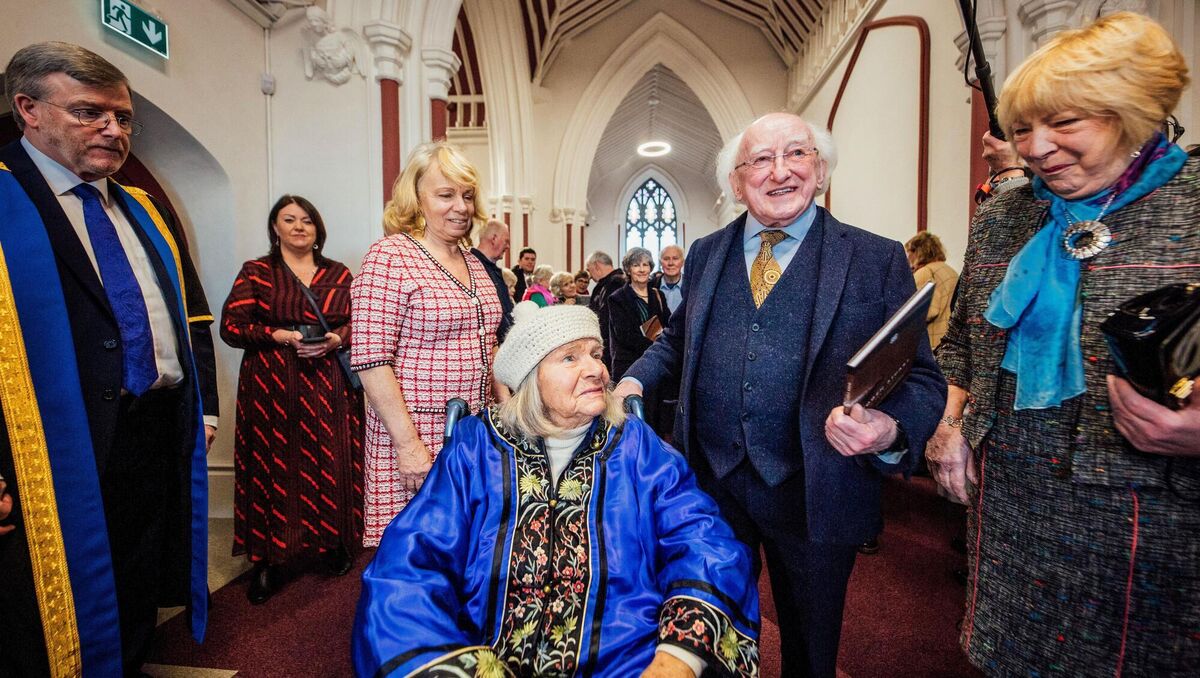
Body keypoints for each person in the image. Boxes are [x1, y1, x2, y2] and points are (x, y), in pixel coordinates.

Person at [615, 112, 946, 677]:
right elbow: (676, 342)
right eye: (760, 160)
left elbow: (920, 378)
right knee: (707, 635)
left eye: (796, 154)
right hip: (712, 486)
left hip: (815, 489)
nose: (780, 171)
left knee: (811, 652)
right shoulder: (707, 254)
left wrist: (889, 429)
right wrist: (632, 380)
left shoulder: (875, 258)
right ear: (737, 182)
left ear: (820, 171)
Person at [928, 13, 1200, 676]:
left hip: (1160, 516)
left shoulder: (1190, 206)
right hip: (1012, 506)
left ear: (1131, 113)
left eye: (1066, 123)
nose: (1039, 147)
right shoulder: (1005, 213)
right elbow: (965, 336)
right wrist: (949, 425)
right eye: (1023, 129)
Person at [353, 303, 760, 678]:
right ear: (531, 379)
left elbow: (704, 542)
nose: (596, 370)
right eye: (570, 358)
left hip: (625, 662)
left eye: (596, 355)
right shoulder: (476, 448)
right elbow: (407, 567)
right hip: (486, 656)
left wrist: (677, 658)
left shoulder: (638, 447)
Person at [0, 42, 219, 676]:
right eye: (89, 113)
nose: (113, 130)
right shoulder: (7, 204)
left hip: (151, 431)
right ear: (28, 109)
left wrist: (200, 408)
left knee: (134, 590)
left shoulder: (141, 207)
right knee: (45, 614)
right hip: (46, 450)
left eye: (123, 118)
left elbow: (193, 317)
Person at [350, 141, 502, 547]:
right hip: (418, 430)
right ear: (416, 198)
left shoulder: (472, 260)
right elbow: (370, 358)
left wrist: (507, 413)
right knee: (416, 555)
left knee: (466, 548)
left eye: (467, 195)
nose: (461, 207)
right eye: (446, 194)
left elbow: (489, 343)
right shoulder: (390, 256)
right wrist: (409, 444)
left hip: (473, 430)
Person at [220, 195, 363, 604]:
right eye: (289, 220)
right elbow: (232, 326)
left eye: (307, 221)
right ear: (275, 228)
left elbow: (361, 319)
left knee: (333, 460)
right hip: (272, 387)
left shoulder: (339, 273)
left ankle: (333, 543)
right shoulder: (258, 272)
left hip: (330, 383)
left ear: (318, 229)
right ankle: (267, 561)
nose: (299, 227)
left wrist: (337, 337)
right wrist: (278, 336)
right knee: (273, 467)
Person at [903, 232, 957, 350]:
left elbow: (928, 310)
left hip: (933, 341)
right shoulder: (950, 271)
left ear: (917, 251)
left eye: (910, 252)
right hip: (951, 338)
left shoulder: (925, 272)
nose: (908, 257)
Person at [469, 218, 514, 341]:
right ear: (494, 238)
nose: (508, 246)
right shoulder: (471, 266)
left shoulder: (492, 268)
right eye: (506, 241)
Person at [585, 250, 625, 369]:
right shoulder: (609, 283)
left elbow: (606, 317)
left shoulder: (615, 283)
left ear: (596, 266)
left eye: (589, 269)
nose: (590, 276)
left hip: (612, 347)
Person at [654, 243, 685, 312]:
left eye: (675, 258)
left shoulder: (692, 287)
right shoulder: (651, 286)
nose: (671, 263)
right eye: (666, 259)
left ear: (683, 262)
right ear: (660, 263)